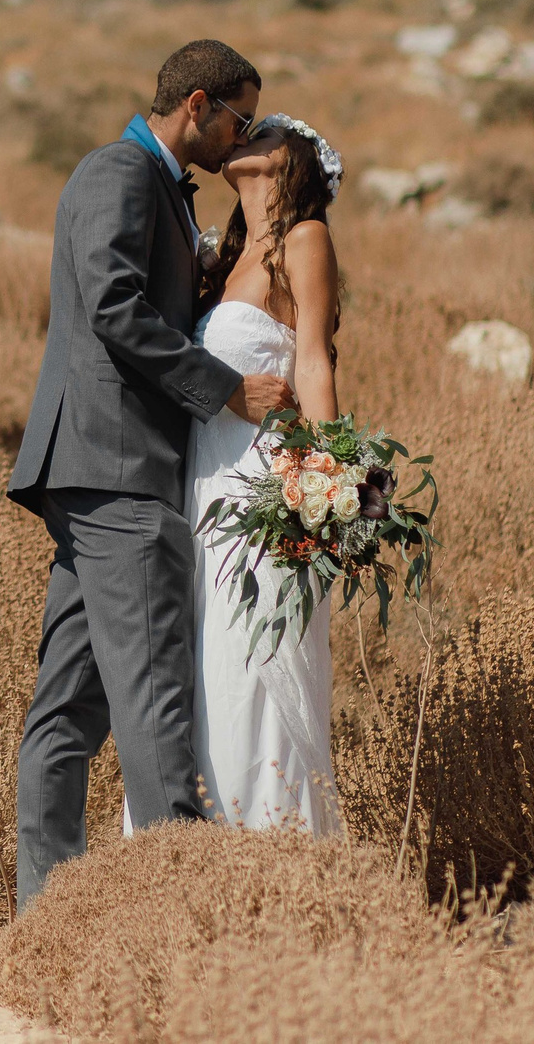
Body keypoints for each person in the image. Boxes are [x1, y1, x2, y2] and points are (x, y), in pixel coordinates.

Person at [8, 39, 296, 913]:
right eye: (238, 118)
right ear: (199, 103)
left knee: (70, 706)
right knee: (154, 699)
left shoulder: (153, 184)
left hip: (101, 466)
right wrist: (225, 391)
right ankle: (179, 919)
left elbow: (140, 301)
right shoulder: (120, 171)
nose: (239, 133)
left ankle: (46, 918)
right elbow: (111, 305)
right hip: (121, 467)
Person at [180, 114, 347, 835]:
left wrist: (325, 488)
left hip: (259, 484)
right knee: (204, 668)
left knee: (253, 661)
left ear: (294, 162)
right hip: (202, 485)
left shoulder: (304, 239)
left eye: (268, 130)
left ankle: (273, 853)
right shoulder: (228, 254)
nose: (248, 133)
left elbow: (312, 359)